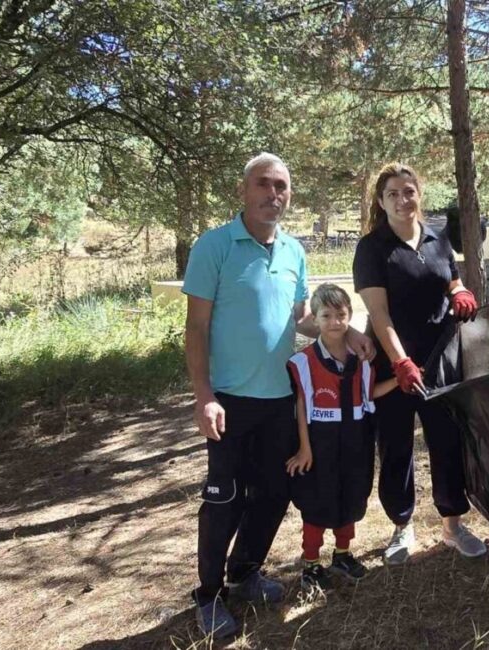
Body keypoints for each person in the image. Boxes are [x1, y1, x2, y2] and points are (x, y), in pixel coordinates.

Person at [183, 153, 374, 640]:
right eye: (264, 185)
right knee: (223, 498)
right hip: (229, 399)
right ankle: (208, 595)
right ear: (244, 191)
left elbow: (301, 320)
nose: (274, 194)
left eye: (282, 187)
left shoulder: (293, 251)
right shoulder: (214, 247)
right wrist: (204, 396)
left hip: (281, 400)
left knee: (274, 493)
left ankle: (245, 572)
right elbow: (196, 328)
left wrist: (344, 333)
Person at [352, 162, 484, 565]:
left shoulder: (436, 239)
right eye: (392, 193)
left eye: (408, 191)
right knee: (396, 445)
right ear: (380, 201)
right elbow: (379, 315)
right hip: (395, 363)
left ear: (418, 195)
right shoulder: (373, 248)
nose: (402, 199)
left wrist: (460, 292)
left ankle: (452, 525)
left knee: (447, 439)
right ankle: (401, 525)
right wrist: (401, 364)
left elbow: (451, 278)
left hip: (441, 357)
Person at [285, 283, 397, 591]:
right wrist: (305, 448)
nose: (335, 322)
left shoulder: (362, 361)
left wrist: (398, 381)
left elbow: (368, 394)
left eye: (341, 314)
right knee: (317, 502)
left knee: (351, 496)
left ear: (349, 316)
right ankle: (310, 563)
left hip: (355, 440)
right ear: (315, 320)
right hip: (319, 444)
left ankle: (343, 554)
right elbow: (301, 405)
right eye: (326, 315)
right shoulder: (302, 362)